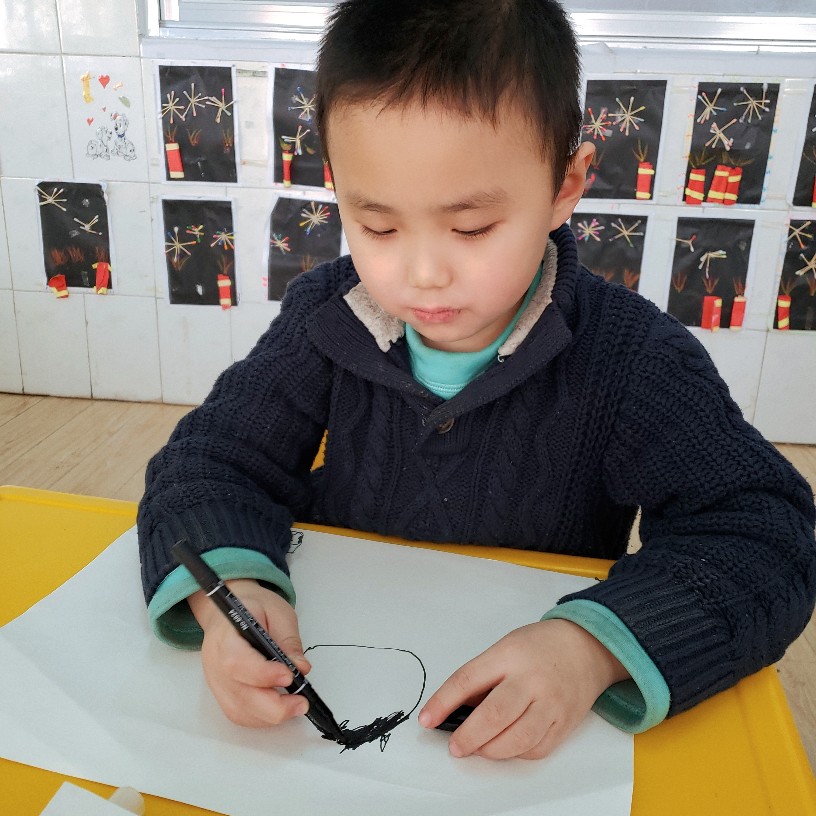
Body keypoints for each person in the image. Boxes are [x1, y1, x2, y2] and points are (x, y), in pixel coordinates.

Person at [138, 0, 816, 761]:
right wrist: (230, 593)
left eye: (471, 228)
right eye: (378, 226)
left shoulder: (634, 358)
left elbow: (765, 535)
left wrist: (590, 650)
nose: (423, 273)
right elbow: (211, 461)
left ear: (566, 184)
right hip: (344, 675)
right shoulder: (326, 317)